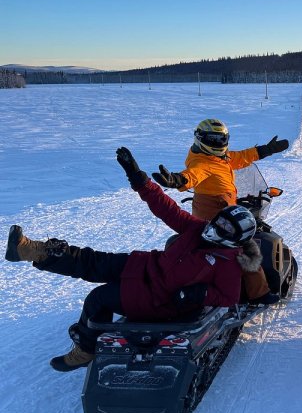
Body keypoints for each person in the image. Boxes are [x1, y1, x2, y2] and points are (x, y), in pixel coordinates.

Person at [4, 147, 262, 372]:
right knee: (93, 260)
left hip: (160, 299)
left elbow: (228, 297)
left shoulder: (229, 261)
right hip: (145, 267)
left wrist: (200, 293)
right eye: (219, 222)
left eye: (226, 230)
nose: (217, 229)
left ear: (237, 240)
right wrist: (138, 178)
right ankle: (30, 250)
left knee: (98, 297)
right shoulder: (197, 228)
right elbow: (166, 208)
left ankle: (85, 349)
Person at [151, 118, 289, 305]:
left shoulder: (218, 158)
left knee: (204, 247)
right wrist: (176, 180)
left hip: (217, 209)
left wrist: (266, 150)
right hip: (217, 213)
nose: (218, 144)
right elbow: (192, 175)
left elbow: (241, 157)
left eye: (221, 139)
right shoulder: (203, 162)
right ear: (200, 139)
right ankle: (259, 294)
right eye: (213, 140)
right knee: (246, 249)